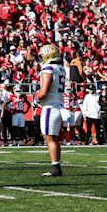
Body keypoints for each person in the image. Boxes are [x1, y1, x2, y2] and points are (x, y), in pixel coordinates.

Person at [34, 44, 71, 178]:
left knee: (50, 138)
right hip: (58, 104)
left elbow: (44, 91)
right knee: (53, 138)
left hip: (50, 106)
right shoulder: (60, 68)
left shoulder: (48, 67)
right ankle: (56, 165)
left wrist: (36, 98)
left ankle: (55, 166)